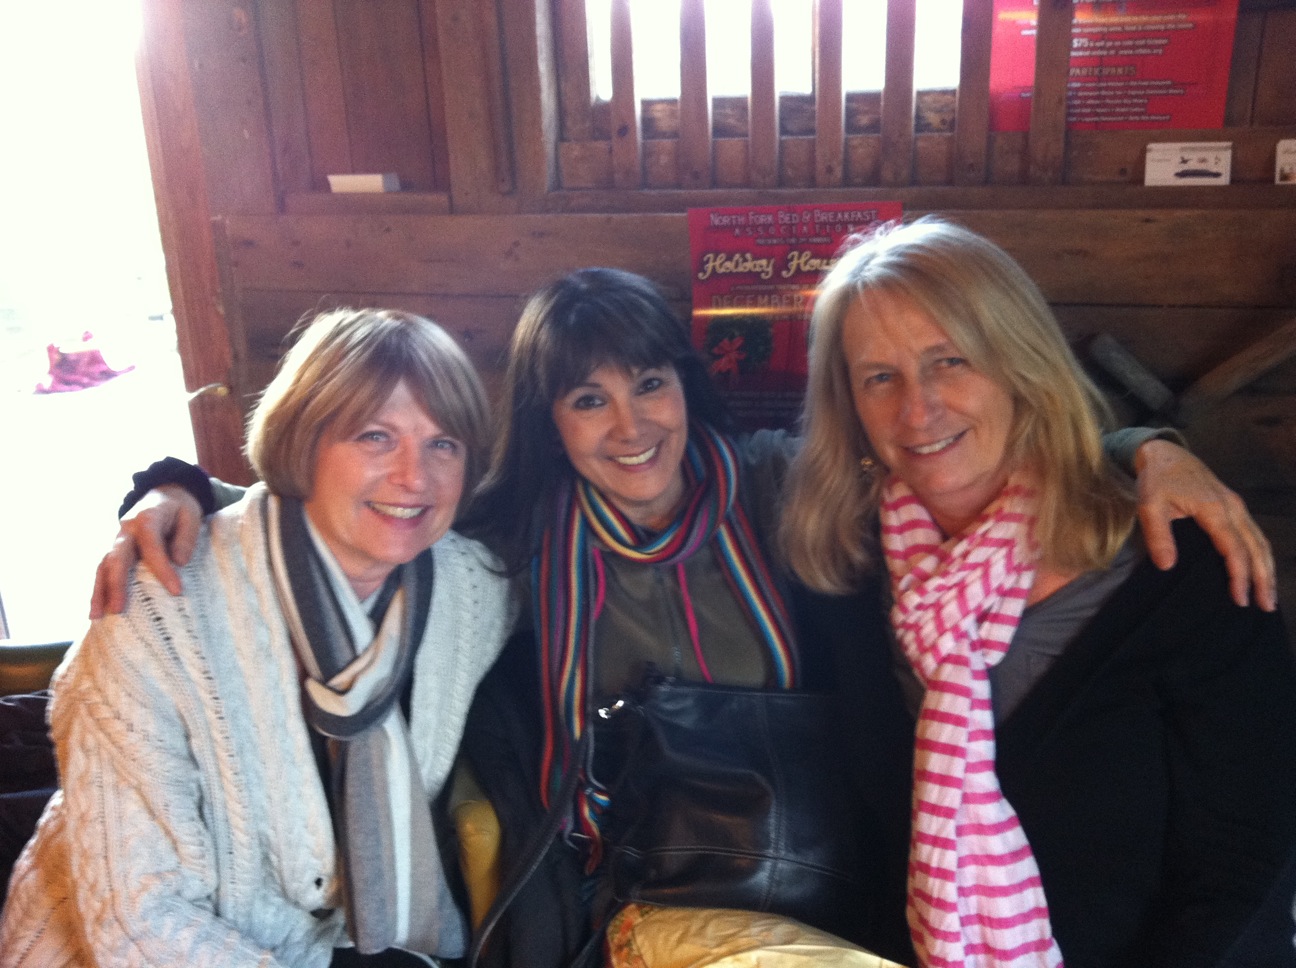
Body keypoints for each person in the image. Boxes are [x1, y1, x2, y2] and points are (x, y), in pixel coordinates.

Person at [83, 270, 1278, 968]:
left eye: (649, 382)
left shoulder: (782, 490)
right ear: (548, 423)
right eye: (586, 398)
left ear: (685, 384)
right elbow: (338, 505)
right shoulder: (511, 541)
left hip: (829, 879)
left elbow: (968, 450)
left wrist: (1144, 449)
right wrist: (172, 487)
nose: (628, 425)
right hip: (618, 897)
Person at [780, 218, 1296, 967]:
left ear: (1020, 365)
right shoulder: (849, 576)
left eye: (950, 361)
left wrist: (1146, 448)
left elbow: (1246, 863)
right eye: (879, 377)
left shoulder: (1176, 568)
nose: (917, 409)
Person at [0, 308, 515, 967]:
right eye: (375, 437)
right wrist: (173, 486)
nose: (415, 476)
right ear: (304, 442)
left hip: (336, 943)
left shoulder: (467, 587)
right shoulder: (154, 614)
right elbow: (138, 923)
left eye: (443, 443)